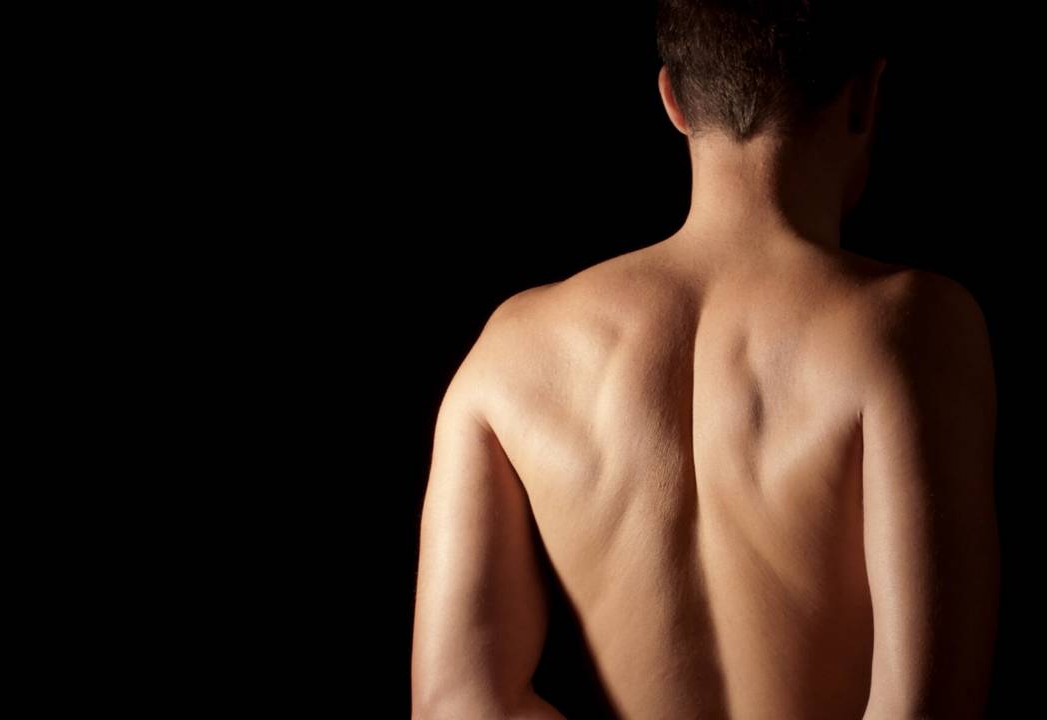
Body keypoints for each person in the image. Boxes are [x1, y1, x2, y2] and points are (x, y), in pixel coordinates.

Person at [409, 2, 1000, 718]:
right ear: (865, 96)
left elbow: (456, 702)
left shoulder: (512, 352)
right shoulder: (909, 329)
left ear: (674, 101)